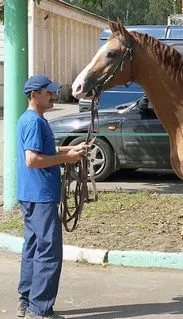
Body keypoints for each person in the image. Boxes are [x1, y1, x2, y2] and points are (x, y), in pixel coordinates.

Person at [16, 75, 86, 319]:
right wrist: (66, 159)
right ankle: (40, 308)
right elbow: (32, 159)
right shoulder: (35, 122)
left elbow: (41, 151)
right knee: (49, 251)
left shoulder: (30, 119)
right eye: (49, 92)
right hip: (42, 195)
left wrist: (68, 150)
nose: (54, 96)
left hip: (30, 194)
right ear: (35, 95)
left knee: (33, 247)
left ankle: (26, 301)